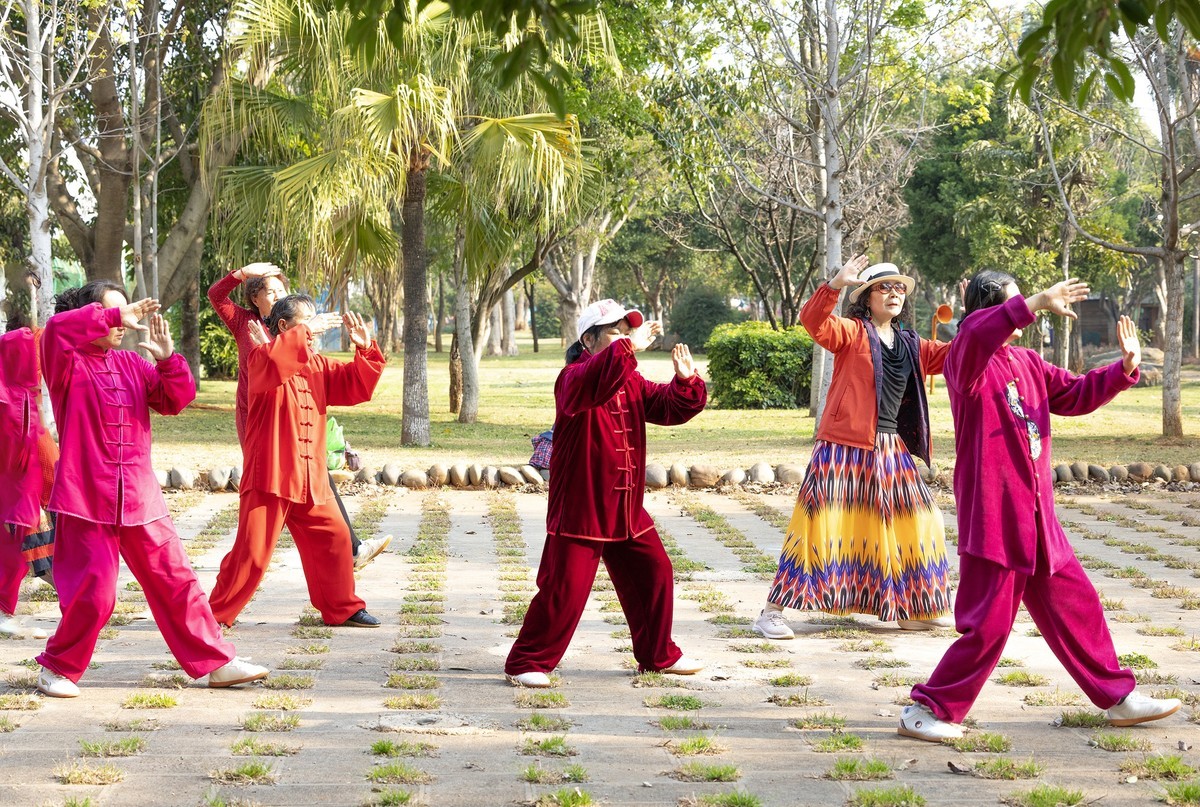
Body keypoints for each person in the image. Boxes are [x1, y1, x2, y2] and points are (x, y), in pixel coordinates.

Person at [899, 272, 1181, 741]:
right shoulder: (966, 361)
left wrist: (1123, 369)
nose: (1025, 316)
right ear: (988, 308)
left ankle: (1119, 698)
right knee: (986, 628)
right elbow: (973, 331)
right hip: (995, 520)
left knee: (1079, 606)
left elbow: (1074, 394)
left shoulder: (1028, 362)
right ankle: (927, 710)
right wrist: (1038, 300)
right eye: (1013, 305)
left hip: (1037, 520)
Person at [34, 281, 268, 697]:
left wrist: (167, 361)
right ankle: (57, 666)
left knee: (178, 581)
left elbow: (175, 400)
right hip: (86, 498)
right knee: (95, 595)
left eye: (127, 313)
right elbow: (56, 330)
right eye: (115, 314)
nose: (126, 322)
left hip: (141, 497)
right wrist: (110, 316)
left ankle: (216, 663)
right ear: (91, 316)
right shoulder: (65, 360)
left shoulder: (130, 363)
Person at [504, 299, 708, 687]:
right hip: (582, 506)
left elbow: (668, 408)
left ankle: (657, 656)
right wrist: (627, 350)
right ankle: (526, 662)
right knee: (564, 589)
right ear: (588, 338)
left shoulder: (628, 378)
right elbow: (594, 382)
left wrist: (685, 381)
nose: (624, 339)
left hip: (626, 508)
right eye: (615, 332)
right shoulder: (573, 377)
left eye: (624, 332)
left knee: (656, 572)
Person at [753, 258, 953, 641]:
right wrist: (834, 284)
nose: (894, 293)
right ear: (866, 297)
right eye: (884, 287)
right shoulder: (851, 332)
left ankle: (908, 608)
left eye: (899, 288)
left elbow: (955, 354)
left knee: (921, 519)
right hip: (842, 446)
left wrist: (986, 319)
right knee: (818, 527)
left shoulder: (912, 343)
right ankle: (771, 612)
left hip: (891, 449)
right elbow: (814, 322)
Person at [208, 295, 385, 629]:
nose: (315, 329)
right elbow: (271, 366)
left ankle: (342, 608)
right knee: (252, 553)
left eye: (315, 321)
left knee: (334, 538)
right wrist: (305, 334)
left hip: (310, 476)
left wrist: (365, 350)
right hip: (271, 475)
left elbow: (356, 386)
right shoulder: (261, 359)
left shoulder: (318, 365)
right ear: (285, 327)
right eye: (307, 322)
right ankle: (214, 614)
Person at [0, 306, 57, 639]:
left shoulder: (22, 342)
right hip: (21, 434)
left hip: (25, 430)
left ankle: (55, 573)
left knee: (27, 515)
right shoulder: (27, 340)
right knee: (23, 517)